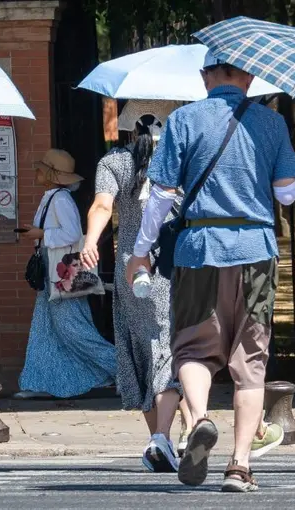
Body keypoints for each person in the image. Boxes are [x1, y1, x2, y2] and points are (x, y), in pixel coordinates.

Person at [126, 53, 295, 492]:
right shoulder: (271, 123)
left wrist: (139, 252)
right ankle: (240, 465)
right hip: (256, 251)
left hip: (198, 250)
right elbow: (287, 194)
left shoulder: (184, 119)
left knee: (191, 350)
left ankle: (200, 419)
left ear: (205, 76)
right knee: (251, 362)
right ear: (250, 75)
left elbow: (161, 196)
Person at [81, 114, 184, 472]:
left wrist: (90, 241)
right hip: (175, 263)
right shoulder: (179, 159)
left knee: (140, 347)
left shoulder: (113, 162)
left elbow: (102, 206)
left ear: (128, 127)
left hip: (131, 268)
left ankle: (161, 439)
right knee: (168, 347)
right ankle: (165, 439)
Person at [14, 149, 117, 400]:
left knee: (73, 329)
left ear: (51, 174)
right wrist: (39, 232)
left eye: (41, 169)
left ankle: (123, 368)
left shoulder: (59, 199)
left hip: (60, 274)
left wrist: (41, 235)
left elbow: (71, 234)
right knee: (46, 328)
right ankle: (41, 382)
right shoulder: (53, 197)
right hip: (53, 272)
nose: (37, 172)